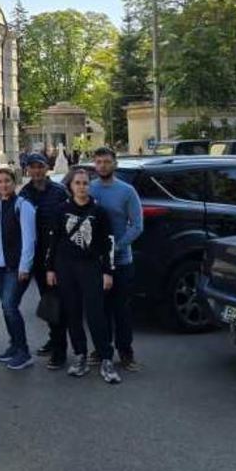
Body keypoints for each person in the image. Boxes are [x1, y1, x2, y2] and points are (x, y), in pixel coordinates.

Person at [46, 168, 121, 383]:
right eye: (77, 183)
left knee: (96, 314)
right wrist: (50, 268)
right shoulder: (61, 210)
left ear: (90, 185)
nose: (81, 187)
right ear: (71, 186)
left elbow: (109, 244)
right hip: (65, 268)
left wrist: (108, 271)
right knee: (72, 314)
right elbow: (53, 242)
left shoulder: (99, 212)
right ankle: (80, 356)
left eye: (85, 183)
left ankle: (106, 358)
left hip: (91, 268)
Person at [89, 146, 143, 371]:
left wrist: (116, 247)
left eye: (107, 161)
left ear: (115, 164)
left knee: (121, 310)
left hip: (121, 262)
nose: (103, 165)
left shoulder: (127, 191)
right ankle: (102, 349)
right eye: (99, 162)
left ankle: (126, 352)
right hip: (95, 263)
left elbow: (137, 226)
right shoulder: (88, 188)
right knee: (100, 310)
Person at [18, 152, 70, 369]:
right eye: (32, 167)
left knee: (56, 301)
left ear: (47, 168)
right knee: (47, 301)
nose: (36, 171)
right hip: (36, 257)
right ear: (28, 170)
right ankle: (54, 339)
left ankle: (60, 352)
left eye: (40, 166)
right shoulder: (25, 192)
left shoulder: (59, 192)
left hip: (56, 257)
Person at [0, 167, 37, 371]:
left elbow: (29, 239)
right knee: (7, 308)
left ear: (15, 183)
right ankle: (14, 346)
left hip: (15, 267)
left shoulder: (23, 206)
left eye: (7, 181)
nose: (3, 185)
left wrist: (25, 266)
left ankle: (24, 352)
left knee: (10, 306)